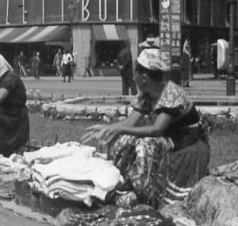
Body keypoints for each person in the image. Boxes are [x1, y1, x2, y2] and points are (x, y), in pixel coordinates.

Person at [81, 48, 210, 208]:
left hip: (186, 146)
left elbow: (156, 130)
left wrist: (120, 130)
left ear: (144, 77)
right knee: (125, 141)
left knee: (146, 145)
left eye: (134, 73)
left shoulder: (171, 93)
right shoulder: (146, 94)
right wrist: (108, 129)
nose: (132, 77)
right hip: (169, 139)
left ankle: (146, 194)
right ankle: (122, 181)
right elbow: (130, 123)